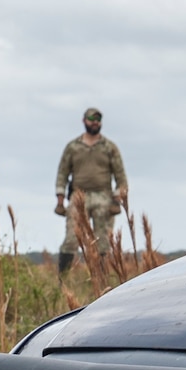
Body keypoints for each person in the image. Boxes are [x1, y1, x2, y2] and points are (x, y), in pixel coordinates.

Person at [54, 107, 128, 274]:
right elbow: (62, 173)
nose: (95, 123)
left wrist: (117, 199)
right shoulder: (73, 147)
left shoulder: (109, 147)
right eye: (91, 119)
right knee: (71, 238)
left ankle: (101, 279)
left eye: (98, 120)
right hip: (79, 196)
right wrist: (60, 198)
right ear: (84, 121)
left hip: (104, 196)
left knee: (103, 241)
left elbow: (121, 176)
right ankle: (63, 279)